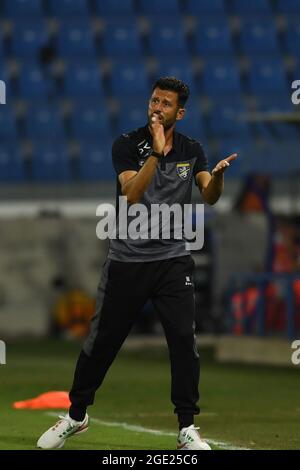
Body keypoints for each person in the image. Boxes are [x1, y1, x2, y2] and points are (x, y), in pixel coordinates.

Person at [37, 77, 237, 450]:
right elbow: (131, 194)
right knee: (102, 344)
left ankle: (186, 428)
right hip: (127, 261)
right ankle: (76, 416)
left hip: (173, 262)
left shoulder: (192, 149)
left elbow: (209, 195)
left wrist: (218, 179)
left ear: (180, 112)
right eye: (154, 100)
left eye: (165, 103)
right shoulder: (127, 145)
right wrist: (156, 155)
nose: (156, 107)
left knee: (182, 340)